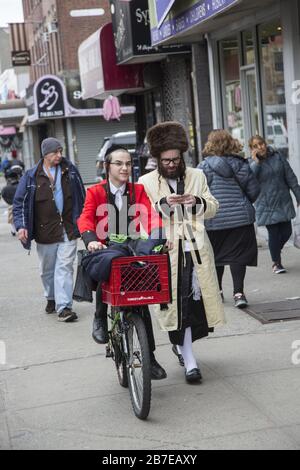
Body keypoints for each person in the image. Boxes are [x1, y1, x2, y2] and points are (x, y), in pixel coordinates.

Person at [139, 121, 225, 383]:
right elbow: (140, 218)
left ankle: (187, 355)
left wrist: (196, 202)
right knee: (174, 308)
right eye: (166, 160)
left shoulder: (197, 176)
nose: (172, 164)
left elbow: (213, 206)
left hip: (196, 251)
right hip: (167, 253)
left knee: (192, 308)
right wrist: (162, 204)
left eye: (176, 159)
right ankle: (187, 357)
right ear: (157, 159)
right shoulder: (145, 182)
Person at [77, 144, 167, 380]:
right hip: (106, 249)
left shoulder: (138, 190)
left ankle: (151, 358)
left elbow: (151, 216)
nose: (125, 167)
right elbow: (85, 218)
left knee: (142, 300)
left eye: (128, 163)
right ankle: (99, 316)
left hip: (132, 246)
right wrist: (90, 240)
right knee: (112, 259)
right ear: (107, 167)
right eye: (119, 163)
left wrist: (159, 237)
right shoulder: (96, 192)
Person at [13, 137, 85, 322]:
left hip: (68, 228)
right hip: (44, 232)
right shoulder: (31, 176)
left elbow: (82, 197)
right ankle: (51, 297)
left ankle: (64, 307)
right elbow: (19, 203)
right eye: (56, 152)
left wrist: (84, 222)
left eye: (61, 151)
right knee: (47, 270)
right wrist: (21, 227)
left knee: (65, 267)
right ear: (45, 154)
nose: (60, 155)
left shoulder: (70, 171)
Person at [198, 129, 260, 308]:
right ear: (230, 142)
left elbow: (199, 193)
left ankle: (217, 292)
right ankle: (239, 293)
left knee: (216, 257)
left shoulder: (204, 167)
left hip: (213, 221)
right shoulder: (240, 164)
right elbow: (254, 190)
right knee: (237, 257)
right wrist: (243, 203)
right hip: (240, 220)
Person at [249, 135, 300, 273]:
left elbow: (291, 177)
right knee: (273, 234)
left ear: (265, 144)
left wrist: (298, 196)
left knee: (286, 232)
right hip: (266, 204)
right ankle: (276, 263)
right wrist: (256, 163)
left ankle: (276, 251)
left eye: (262, 143)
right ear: (252, 149)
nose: (260, 147)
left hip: (283, 201)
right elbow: (250, 180)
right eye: (256, 145)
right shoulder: (251, 163)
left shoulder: (278, 157)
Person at [1, 161, 24, 235]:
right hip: (20, 203)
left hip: (11, 204)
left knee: (11, 217)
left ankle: (13, 230)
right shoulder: (21, 185)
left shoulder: (5, 188)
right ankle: (17, 229)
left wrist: (9, 202)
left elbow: (3, 195)